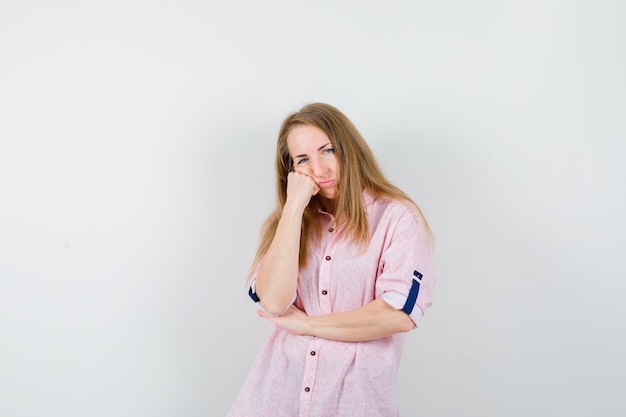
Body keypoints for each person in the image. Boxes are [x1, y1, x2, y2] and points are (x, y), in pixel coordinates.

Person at [227, 103, 435, 417]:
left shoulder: (396, 217)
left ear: (349, 148)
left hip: (353, 403)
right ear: (292, 170)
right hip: (275, 399)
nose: (319, 169)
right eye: (303, 160)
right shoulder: (287, 224)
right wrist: (294, 207)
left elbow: (398, 314)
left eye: (328, 150)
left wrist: (308, 324)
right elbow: (272, 301)